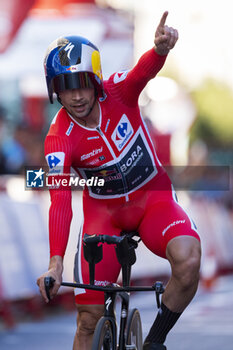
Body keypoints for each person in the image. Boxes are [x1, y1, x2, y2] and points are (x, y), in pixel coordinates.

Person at [37, 11, 201, 350]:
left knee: (188, 260)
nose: (77, 97)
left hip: (154, 203)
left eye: (83, 84)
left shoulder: (118, 91)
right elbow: (60, 199)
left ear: (96, 80)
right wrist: (55, 263)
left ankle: (154, 342)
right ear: (55, 92)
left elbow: (143, 71)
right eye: (66, 89)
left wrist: (159, 50)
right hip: (104, 218)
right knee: (87, 322)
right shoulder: (59, 137)